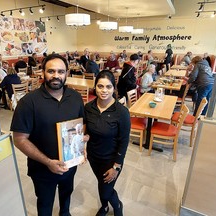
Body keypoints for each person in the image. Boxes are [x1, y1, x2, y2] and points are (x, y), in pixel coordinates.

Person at [10, 54, 86, 216]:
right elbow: (19, 139)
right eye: (51, 71)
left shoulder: (75, 97)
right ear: (43, 72)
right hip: (42, 170)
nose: (56, 75)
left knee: (66, 197)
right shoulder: (28, 102)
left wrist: (81, 145)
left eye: (61, 71)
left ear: (67, 73)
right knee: (45, 205)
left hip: (69, 164)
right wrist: (48, 162)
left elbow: (80, 126)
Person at [84, 70, 130, 216]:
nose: (104, 91)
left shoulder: (121, 112)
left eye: (108, 87)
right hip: (93, 156)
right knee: (101, 183)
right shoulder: (88, 108)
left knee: (106, 191)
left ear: (114, 88)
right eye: (100, 86)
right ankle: (104, 207)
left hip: (111, 159)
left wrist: (116, 167)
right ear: (95, 87)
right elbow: (86, 131)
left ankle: (117, 206)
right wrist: (83, 140)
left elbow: (124, 141)